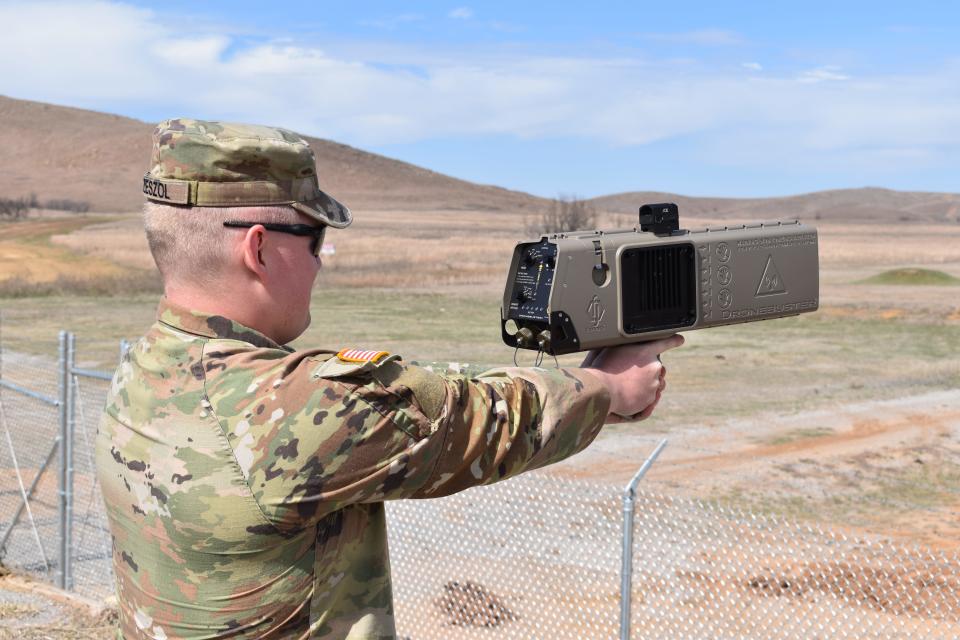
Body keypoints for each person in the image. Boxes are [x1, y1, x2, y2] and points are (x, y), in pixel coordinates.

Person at [96, 119, 683, 639]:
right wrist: (608, 390)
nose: (322, 261)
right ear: (260, 249)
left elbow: (410, 394)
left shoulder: (147, 365)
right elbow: (472, 419)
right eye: (315, 239)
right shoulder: (288, 411)